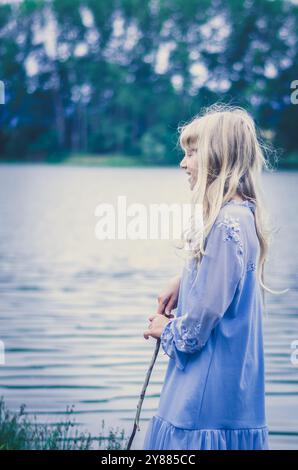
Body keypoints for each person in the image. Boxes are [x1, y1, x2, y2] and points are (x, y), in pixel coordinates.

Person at [142, 104, 288, 450]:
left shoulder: (225, 225)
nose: (183, 163)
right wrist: (184, 278)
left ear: (216, 157)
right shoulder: (243, 215)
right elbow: (226, 280)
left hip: (202, 403)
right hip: (231, 394)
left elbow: (196, 329)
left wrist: (164, 329)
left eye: (192, 153)